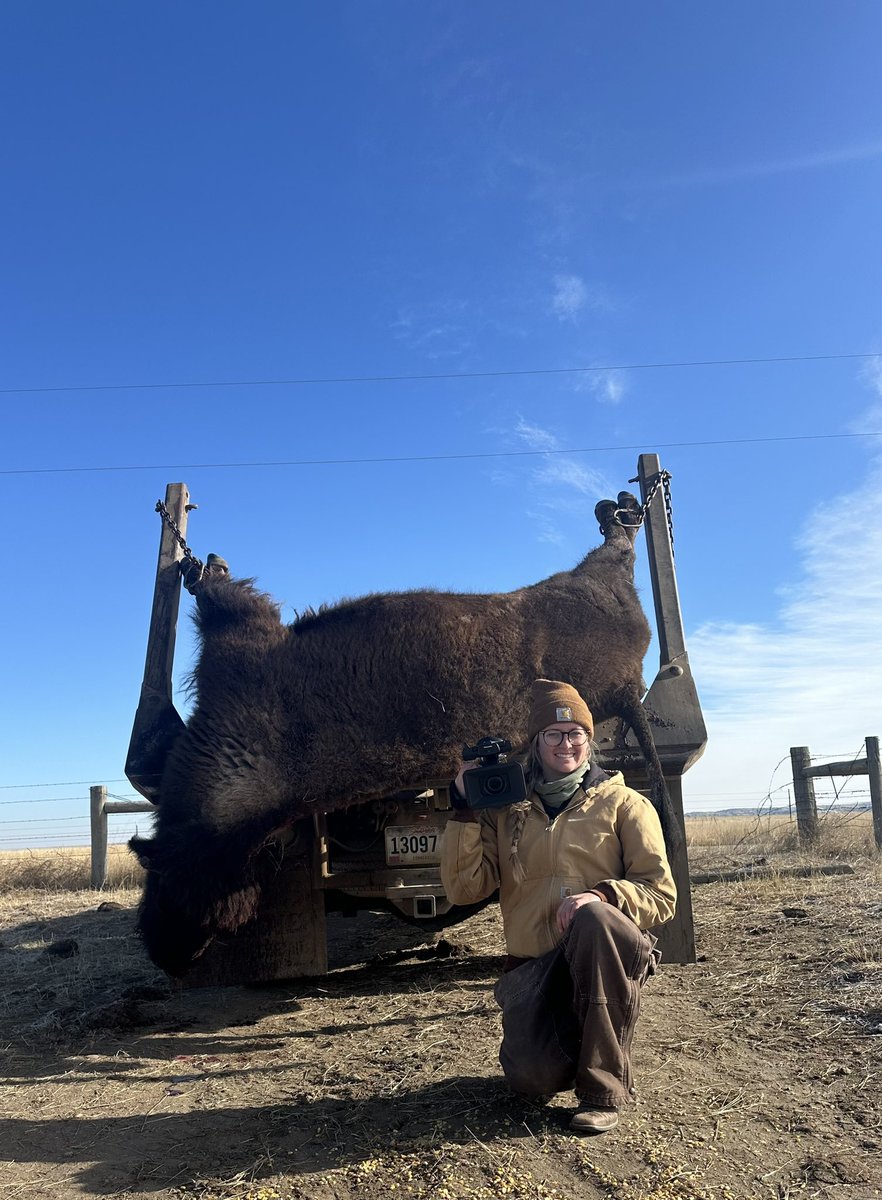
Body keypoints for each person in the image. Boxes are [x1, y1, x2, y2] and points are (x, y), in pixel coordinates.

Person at [440, 678, 676, 1134]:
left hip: (600, 955)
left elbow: (661, 895)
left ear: (589, 740)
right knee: (530, 1079)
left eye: (576, 734)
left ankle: (602, 1091)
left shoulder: (625, 804)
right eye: (554, 734)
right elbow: (464, 890)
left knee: (592, 918)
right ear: (536, 741)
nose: (566, 744)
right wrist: (464, 808)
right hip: (534, 966)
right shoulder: (505, 809)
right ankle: (569, 1047)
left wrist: (604, 895)